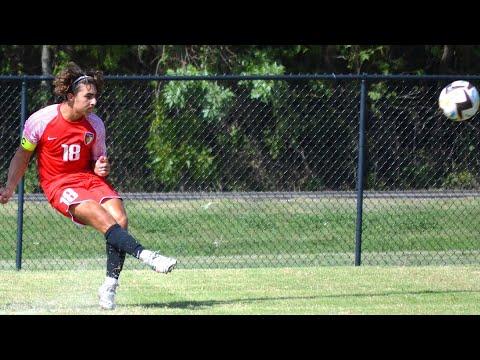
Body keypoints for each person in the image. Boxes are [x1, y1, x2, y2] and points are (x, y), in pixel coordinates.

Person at [0, 62, 177, 310]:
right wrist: (9, 186)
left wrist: (101, 168)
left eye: (95, 96)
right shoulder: (41, 120)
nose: (94, 102)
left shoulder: (95, 124)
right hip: (58, 185)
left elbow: (97, 162)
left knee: (120, 218)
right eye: (88, 96)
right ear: (71, 96)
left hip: (87, 179)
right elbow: (22, 155)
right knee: (98, 214)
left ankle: (109, 286)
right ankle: (147, 255)